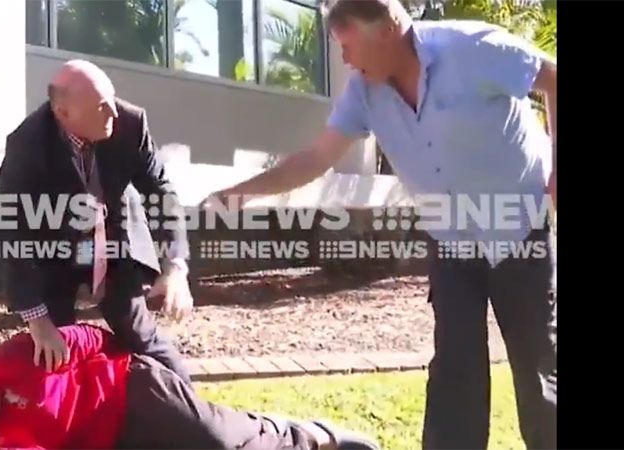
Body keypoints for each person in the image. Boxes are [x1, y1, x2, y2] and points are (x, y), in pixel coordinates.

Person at [203, 1, 557, 449]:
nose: (345, 59)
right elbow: (317, 157)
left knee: (537, 367)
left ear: (387, 30)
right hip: (450, 237)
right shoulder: (363, 92)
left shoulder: (473, 48)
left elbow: (553, 77)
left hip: (518, 227)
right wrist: (240, 194)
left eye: (348, 45)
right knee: (455, 370)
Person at [0, 59, 193, 383]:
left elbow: (160, 192)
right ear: (63, 113)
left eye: (112, 99)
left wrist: (175, 266)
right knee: (54, 350)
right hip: (55, 253)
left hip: (114, 242)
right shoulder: (27, 145)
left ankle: (189, 402)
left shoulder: (131, 123)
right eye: (102, 106)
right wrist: (37, 319)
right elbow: (10, 227)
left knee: (140, 337)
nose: (113, 111)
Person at [0, 324, 380, 450]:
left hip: (130, 388)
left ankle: (309, 437)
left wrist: (120, 352)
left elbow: (83, 336)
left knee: (216, 440)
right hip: (115, 439)